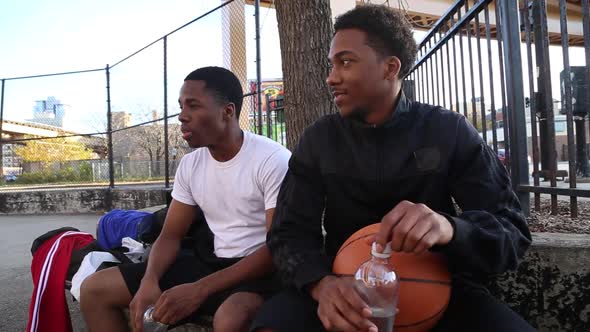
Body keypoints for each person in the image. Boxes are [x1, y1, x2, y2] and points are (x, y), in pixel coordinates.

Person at [251, 5, 535, 332]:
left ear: (390, 68)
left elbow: (511, 231)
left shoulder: (448, 131)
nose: (331, 77)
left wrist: (450, 229)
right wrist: (321, 284)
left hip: (441, 290)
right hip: (342, 285)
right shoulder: (319, 140)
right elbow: (288, 233)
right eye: (332, 64)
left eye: (345, 62)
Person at [80, 66, 291, 332]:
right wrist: (149, 280)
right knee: (95, 290)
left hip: (260, 272)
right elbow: (170, 236)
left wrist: (199, 290)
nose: (182, 117)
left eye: (193, 106)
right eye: (181, 106)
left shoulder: (272, 160)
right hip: (212, 262)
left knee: (230, 319)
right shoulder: (191, 165)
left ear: (227, 112)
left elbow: (277, 248)